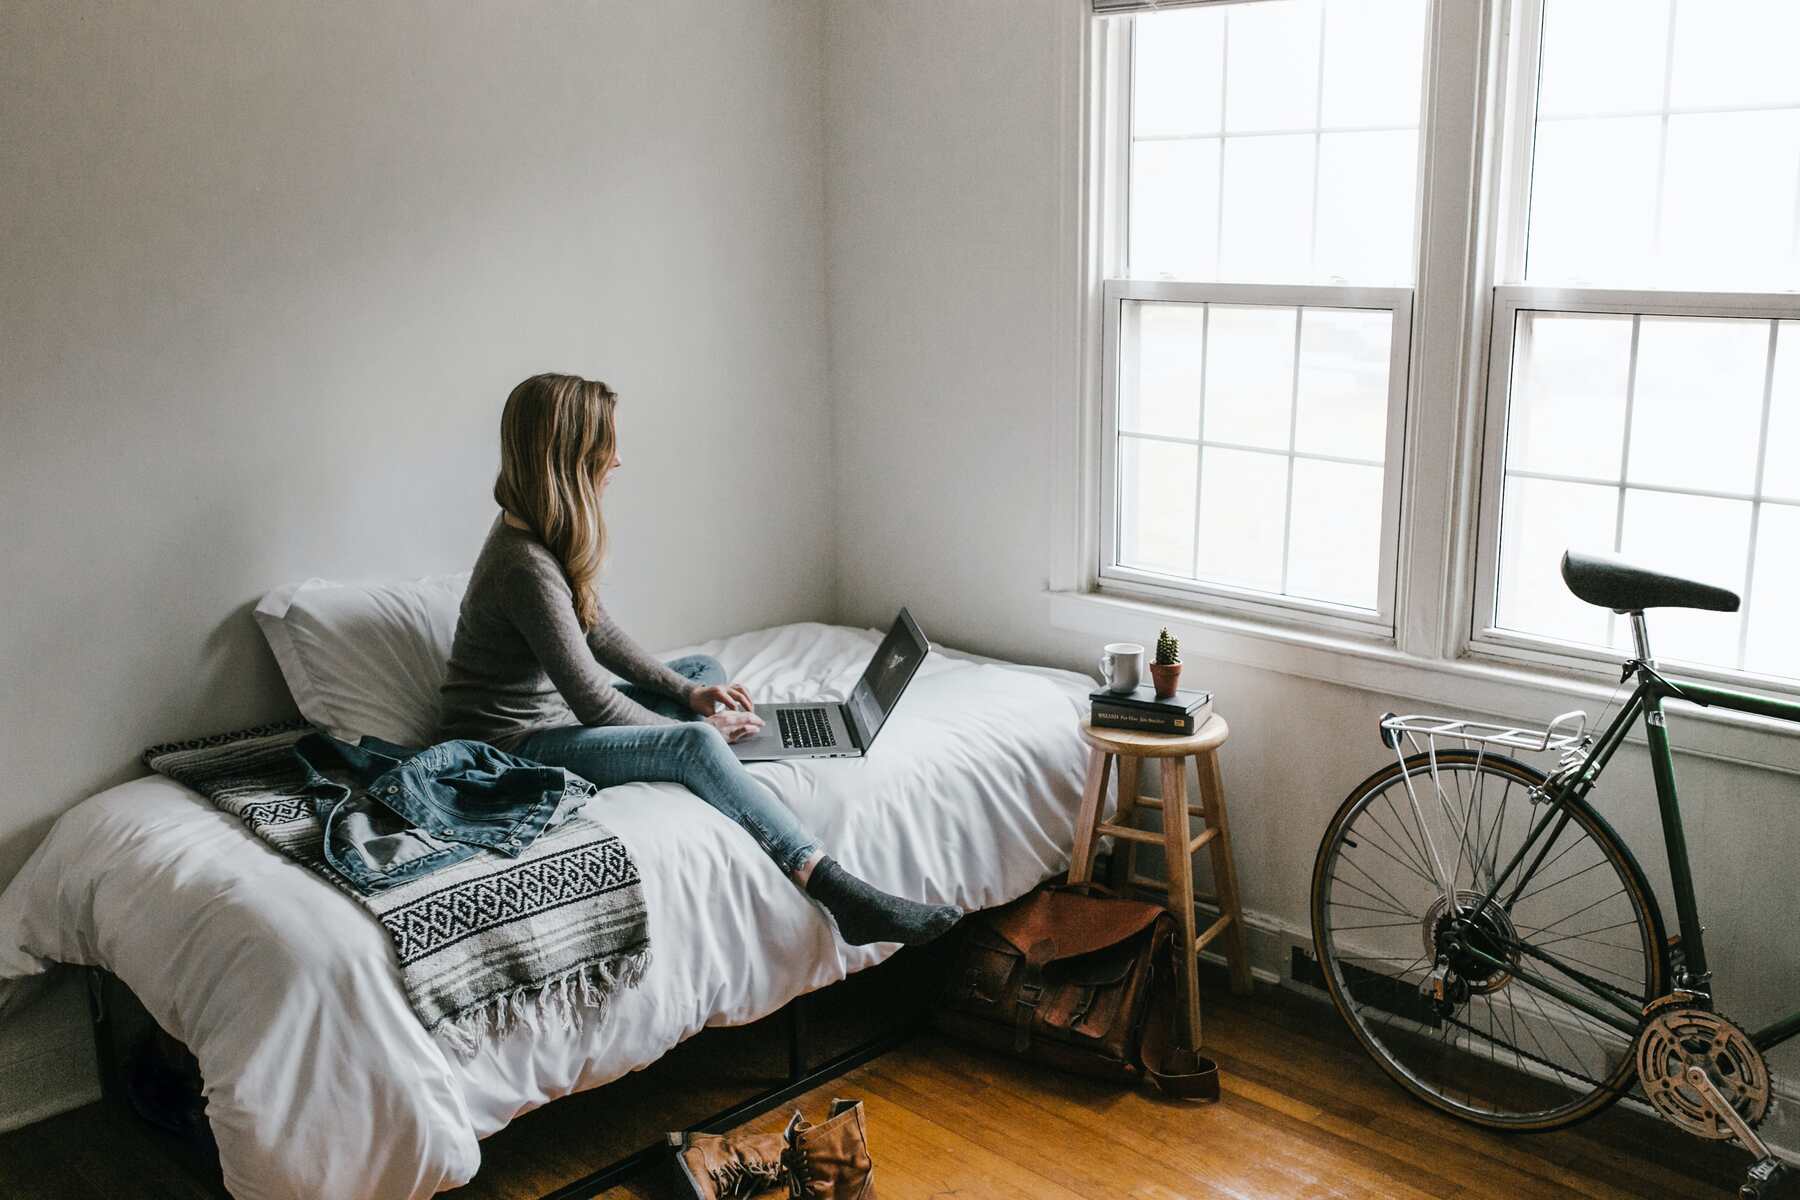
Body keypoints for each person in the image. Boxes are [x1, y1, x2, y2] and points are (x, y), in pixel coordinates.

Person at [437, 372, 959, 946]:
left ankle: (709, 747)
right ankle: (835, 888)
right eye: (605, 446)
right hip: (510, 747)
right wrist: (696, 729)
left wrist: (687, 696)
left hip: (552, 717)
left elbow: (598, 631)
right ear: (571, 456)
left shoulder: (539, 533)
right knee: (695, 743)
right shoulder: (524, 566)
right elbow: (591, 699)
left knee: (700, 673)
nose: (618, 460)